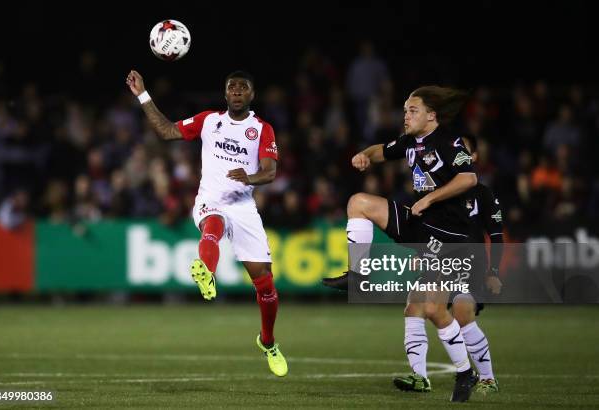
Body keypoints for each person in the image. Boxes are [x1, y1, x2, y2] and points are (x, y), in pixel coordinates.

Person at [126, 69, 287, 377]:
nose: (237, 91)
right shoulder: (209, 121)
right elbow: (167, 130)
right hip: (210, 200)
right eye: (232, 87)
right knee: (212, 224)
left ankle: (268, 341)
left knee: (265, 284)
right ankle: (207, 273)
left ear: (252, 95)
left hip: (243, 207)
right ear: (225, 94)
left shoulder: (261, 129)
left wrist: (248, 177)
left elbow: (269, 173)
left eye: (243, 87)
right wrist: (143, 95)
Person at [323, 86, 479, 402]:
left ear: (432, 115)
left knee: (430, 307)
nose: (405, 115)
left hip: (449, 237)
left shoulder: (450, 143)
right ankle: (359, 273)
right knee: (359, 203)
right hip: (421, 224)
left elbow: (469, 179)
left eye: (412, 110)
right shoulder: (410, 141)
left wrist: (431, 198)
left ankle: (465, 373)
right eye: (405, 110)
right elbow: (382, 150)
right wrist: (364, 155)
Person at [449, 135, 503, 394]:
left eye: (464, 152)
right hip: (442, 261)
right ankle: (420, 374)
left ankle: (487, 378)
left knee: (462, 315)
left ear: (474, 158)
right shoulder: (440, 191)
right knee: (419, 309)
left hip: (471, 262)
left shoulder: (482, 193)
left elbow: (496, 236)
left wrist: (493, 272)